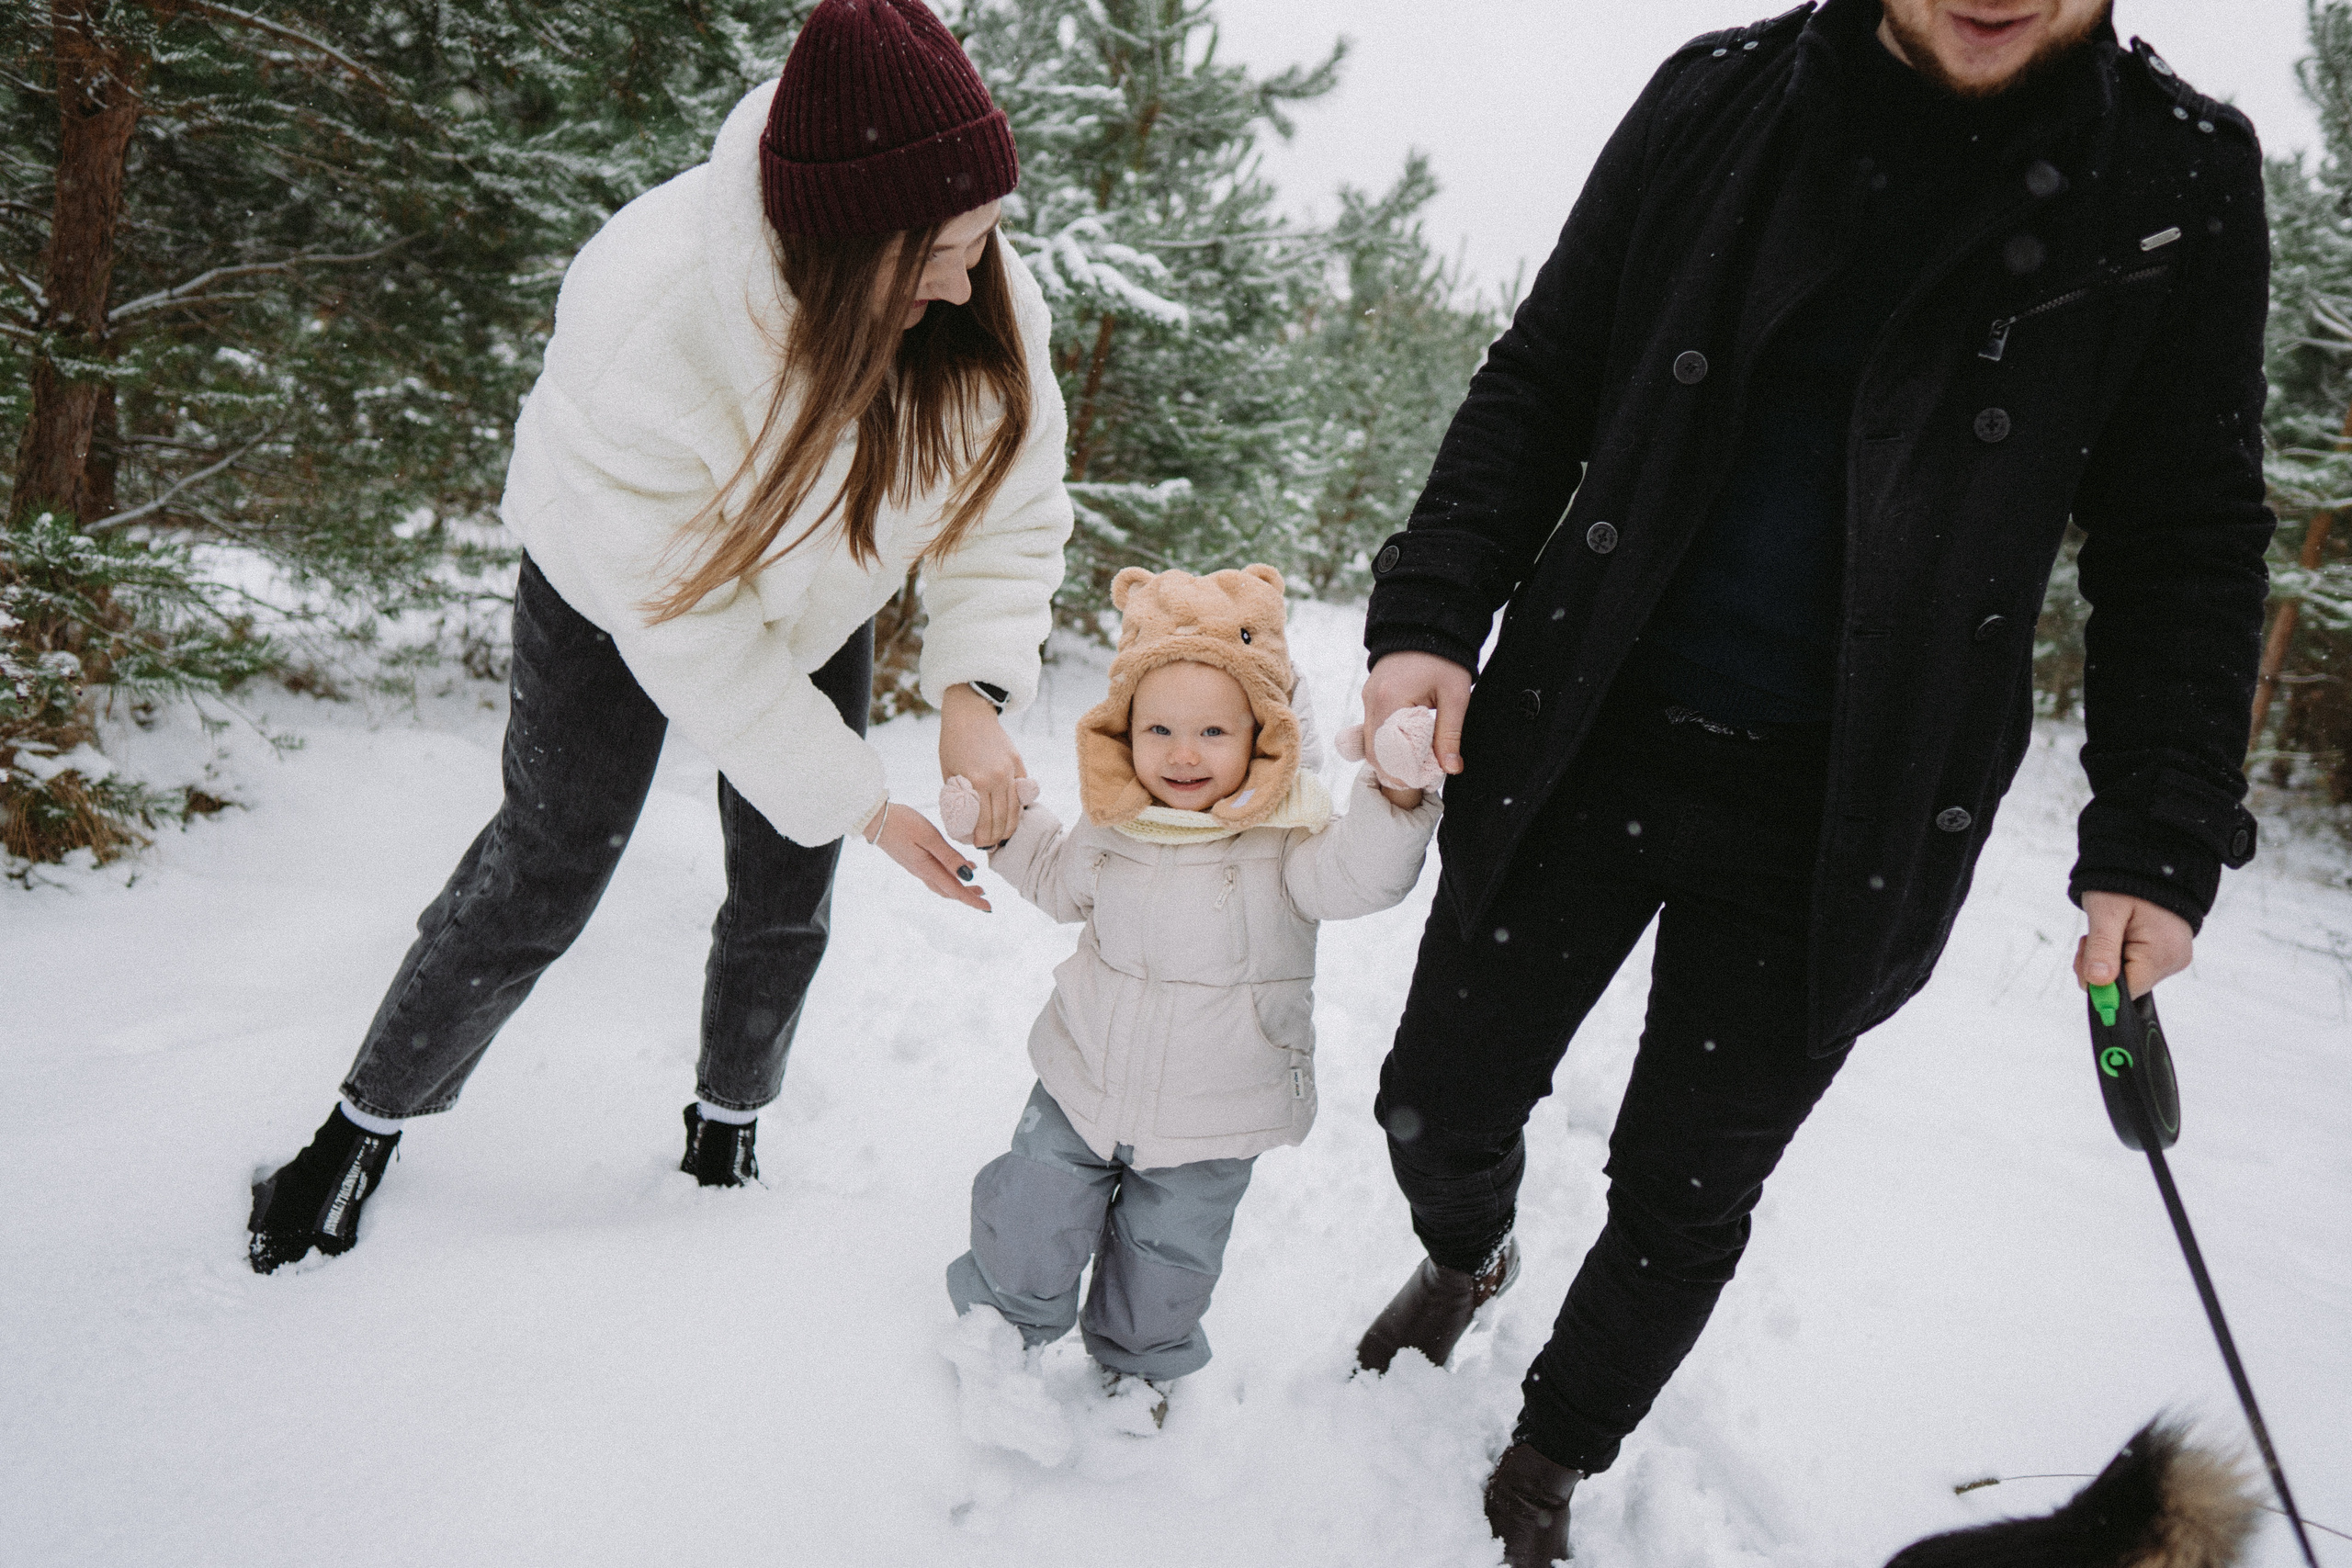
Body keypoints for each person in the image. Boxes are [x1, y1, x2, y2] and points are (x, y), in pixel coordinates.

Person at [1349, 1, 2273, 1561]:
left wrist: (2160, 826)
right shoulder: (1718, 97)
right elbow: (1547, 373)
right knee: (1437, 1099)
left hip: (1853, 804)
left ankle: (1556, 1451)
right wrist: (1436, 613)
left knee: (1685, 1184)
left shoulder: (2180, 172)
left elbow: (2184, 535)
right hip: (1593, 729)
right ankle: (1467, 1249)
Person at [246, 0, 1073, 1274]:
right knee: (551, 855)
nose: (975, 279)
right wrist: (860, 793)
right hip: (619, 587)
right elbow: (689, 629)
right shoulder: (650, 314)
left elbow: (1009, 505)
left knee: (789, 873)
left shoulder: (977, 289)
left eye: (983, 242)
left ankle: (727, 1123)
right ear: (852, 245)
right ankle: (361, 1125)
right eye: (945, 253)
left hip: (813, 593)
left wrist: (972, 687)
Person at [944, 566, 1441, 1422]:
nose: (1183, 753)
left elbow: (1364, 875)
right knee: (1030, 1208)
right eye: (1160, 727)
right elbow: (1057, 880)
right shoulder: (1114, 826)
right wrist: (1003, 826)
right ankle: (1004, 1329)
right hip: (1081, 1075)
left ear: (1264, 733)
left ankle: (1138, 1370)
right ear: (1124, 731)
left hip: (1217, 1110)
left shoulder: (1291, 843)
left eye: (1214, 730)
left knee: (1170, 1256)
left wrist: (1395, 793)